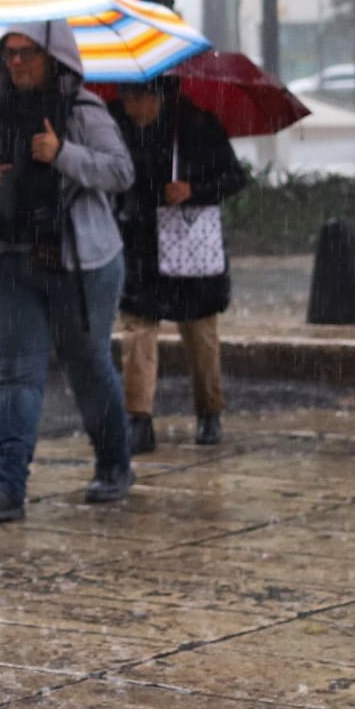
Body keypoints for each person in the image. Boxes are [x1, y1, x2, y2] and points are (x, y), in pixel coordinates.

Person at [0, 21, 136, 523]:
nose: (16, 62)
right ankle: (6, 486)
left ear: (54, 58)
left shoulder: (82, 110)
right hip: (11, 260)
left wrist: (62, 155)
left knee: (88, 365)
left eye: (28, 53)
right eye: (9, 53)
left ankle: (114, 464)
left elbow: (121, 171)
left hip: (81, 265)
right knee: (17, 375)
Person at [108, 75, 250, 450]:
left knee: (200, 333)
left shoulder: (196, 125)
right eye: (125, 97)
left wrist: (193, 189)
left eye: (136, 98)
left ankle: (209, 411)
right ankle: (139, 418)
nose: (130, 107)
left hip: (190, 248)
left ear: (156, 97)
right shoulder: (116, 125)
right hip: (140, 245)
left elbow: (234, 177)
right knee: (138, 329)